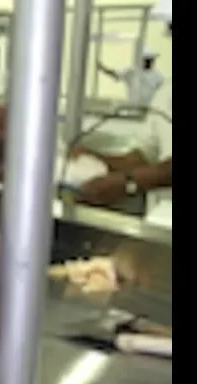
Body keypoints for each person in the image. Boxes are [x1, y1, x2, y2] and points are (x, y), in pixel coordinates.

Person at [70, 1, 171, 221]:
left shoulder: (158, 80)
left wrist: (127, 182)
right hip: (162, 221)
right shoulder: (166, 92)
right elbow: (145, 156)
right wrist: (98, 160)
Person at [97, 49, 164, 107]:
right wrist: (103, 68)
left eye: (151, 60)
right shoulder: (131, 71)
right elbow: (116, 74)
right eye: (147, 60)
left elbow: (162, 94)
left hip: (149, 109)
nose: (149, 62)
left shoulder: (158, 76)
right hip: (132, 107)